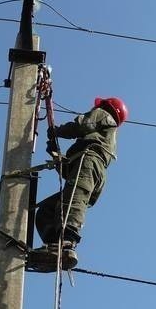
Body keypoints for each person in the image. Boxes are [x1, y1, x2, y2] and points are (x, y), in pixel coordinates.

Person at [28, 96, 128, 270]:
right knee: (48, 210)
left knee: (73, 200)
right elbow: (69, 172)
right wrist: (55, 154)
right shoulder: (99, 140)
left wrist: (58, 131)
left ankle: (67, 243)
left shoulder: (104, 114)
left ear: (107, 106)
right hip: (90, 170)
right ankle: (53, 247)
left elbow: (83, 125)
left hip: (89, 164)